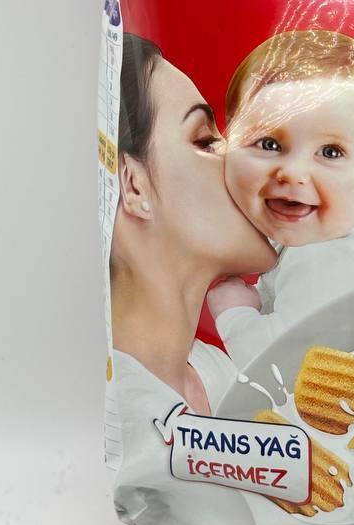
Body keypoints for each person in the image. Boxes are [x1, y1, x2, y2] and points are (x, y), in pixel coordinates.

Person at [208, 29, 354, 364]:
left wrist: (234, 314)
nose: (293, 172)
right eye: (269, 144)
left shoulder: (323, 258)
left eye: (330, 152)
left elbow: (277, 367)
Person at [109, 33, 276, 413]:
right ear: (133, 186)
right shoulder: (121, 413)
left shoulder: (221, 375)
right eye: (204, 140)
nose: (241, 160)